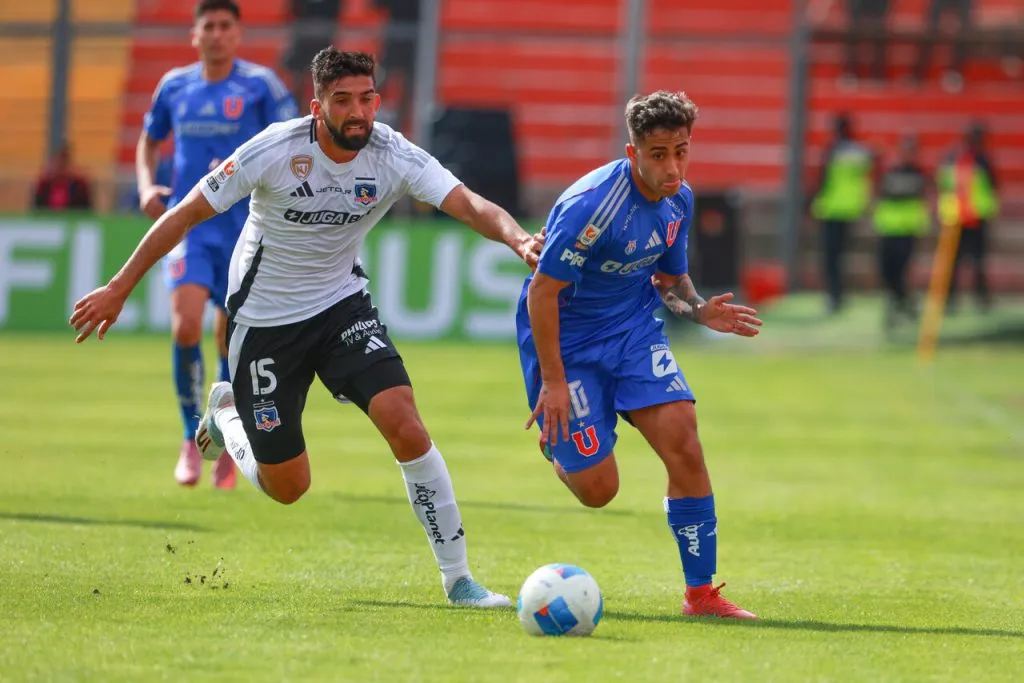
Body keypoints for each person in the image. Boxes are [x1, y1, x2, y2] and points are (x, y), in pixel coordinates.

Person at [71, 48, 541, 608]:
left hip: (341, 305)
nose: (358, 112)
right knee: (289, 488)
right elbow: (186, 213)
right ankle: (227, 416)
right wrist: (119, 286)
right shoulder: (274, 149)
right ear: (317, 106)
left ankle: (459, 579)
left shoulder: (393, 153)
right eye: (343, 101)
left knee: (405, 422)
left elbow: (469, 204)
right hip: (264, 323)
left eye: (367, 99)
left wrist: (517, 239)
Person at [517, 91, 762, 619]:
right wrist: (554, 385)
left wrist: (698, 311)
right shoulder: (592, 206)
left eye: (682, 151)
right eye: (658, 154)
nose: (672, 167)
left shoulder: (681, 199)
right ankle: (559, 448)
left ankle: (700, 594)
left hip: (633, 334)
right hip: (571, 345)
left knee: (685, 442)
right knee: (599, 490)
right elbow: (542, 293)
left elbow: (671, 281)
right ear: (633, 153)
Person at [136, 0, 299, 488]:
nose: (217, 34)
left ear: (238, 34)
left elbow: (291, 140)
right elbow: (149, 140)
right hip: (192, 228)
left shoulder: (261, 86)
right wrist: (147, 185)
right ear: (195, 35)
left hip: (245, 227)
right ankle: (191, 436)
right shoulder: (174, 85)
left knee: (230, 340)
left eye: (226, 26)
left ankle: (230, 438)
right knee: (186, 326)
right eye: (208, 26)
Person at [810, 113, 875, 315]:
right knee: (843, 256)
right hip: (853, 208)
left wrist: (812, 204)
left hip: (832, 208)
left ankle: (834, 295)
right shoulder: (860, 151)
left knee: (831, 257)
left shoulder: (832, 149)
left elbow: (822, 178)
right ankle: (840, 294)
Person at [937, 121, 999, 313]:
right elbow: (943, 184)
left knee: (978, 261)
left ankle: (980, 297)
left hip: (976, 217)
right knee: (954, 261)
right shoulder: (955, 159)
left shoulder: (981, 160)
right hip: (957, 217)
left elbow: (991, 188)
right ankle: (951, 299)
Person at [872, 134, 930, 332]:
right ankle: (901, 303)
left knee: (903, 272)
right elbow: (878, 195)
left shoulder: (919, 174)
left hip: (908, 230)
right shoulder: (889, 172)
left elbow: (926, 201)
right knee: (887, 272)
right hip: (888, 229)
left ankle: (902, 305)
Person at [32, 142, 93, 211]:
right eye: (57, 163)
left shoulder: (79, 185)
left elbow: (86, 210)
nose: (60, 167)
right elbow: (36, 209)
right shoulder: (44, 185)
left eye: (64, 163)